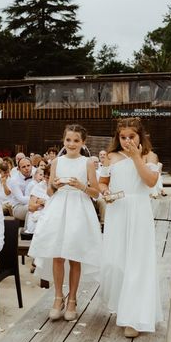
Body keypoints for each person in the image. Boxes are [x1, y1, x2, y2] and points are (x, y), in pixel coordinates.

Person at [28, 124, 102, 322]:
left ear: (83, 143)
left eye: (76, 140)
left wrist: (81, 186)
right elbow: (50, 192)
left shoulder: (87, 163)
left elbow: (96, 192)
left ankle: (73, 300)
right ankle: (58, 297)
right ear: (64, 141)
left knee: (75, 255)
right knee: (58, 255)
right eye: (68, 140)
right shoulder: (57, 162)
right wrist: (55, 185)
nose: (71, 144)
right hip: (59, 208)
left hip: (79, 208)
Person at [99, 117, 163, 338]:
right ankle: (120, 304)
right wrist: (105, 192)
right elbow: (103, 182)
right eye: (123, 137)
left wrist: (137, 157)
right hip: (117, 211)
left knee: (137, 263)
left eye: (131, 137)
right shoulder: (111, 157)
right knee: (115, 262)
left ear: (140, 136)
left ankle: (134, 317)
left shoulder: (149, 156)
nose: (127, 140)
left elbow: (150, 182)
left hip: (139, 211)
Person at [6, 156, 34, 221]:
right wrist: (36, 199)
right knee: (32, 208)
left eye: (28, 165)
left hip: (33, 203)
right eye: (23, 167)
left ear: (31, 166)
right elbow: (22, 199)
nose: (27, 168)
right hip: (18, 207)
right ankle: (26, 230)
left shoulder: (36, 176)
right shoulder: (14, 180)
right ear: (18, 169)